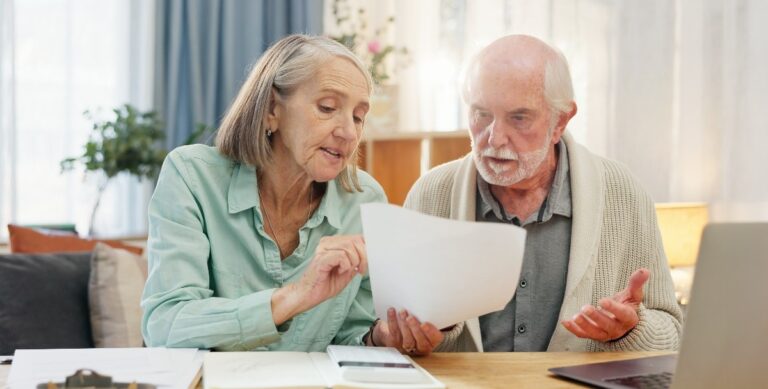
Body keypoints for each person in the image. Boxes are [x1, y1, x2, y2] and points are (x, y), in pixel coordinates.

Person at [142, 34, 443, 354]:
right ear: (272, 109)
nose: (349, 132)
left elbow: (352, 332)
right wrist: (295, 296)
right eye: (328, 108)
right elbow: (165, 324)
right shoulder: (192, 176)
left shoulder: (364, 200)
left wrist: (380, 338)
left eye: (358, 116)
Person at [404, 35, 683, 352]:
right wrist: (429, 327)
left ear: (560, 121)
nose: (495, 137)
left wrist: (629, 330)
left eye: (518, 118)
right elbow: (395, 339)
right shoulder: (430, 195)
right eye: (481, 114)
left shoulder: (622, 192)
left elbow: (672, 335)